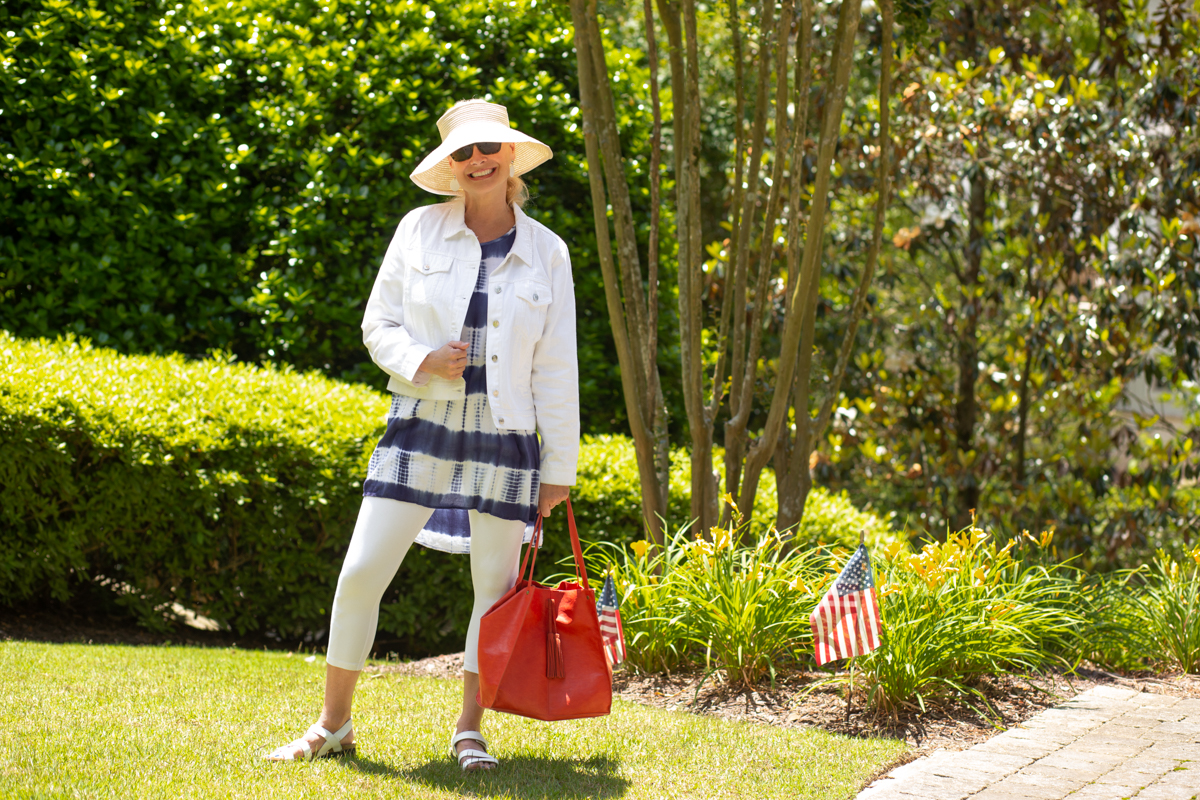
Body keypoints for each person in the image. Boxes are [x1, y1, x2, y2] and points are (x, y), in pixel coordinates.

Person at [266, 99, 579, 771]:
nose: (478, 160)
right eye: (463, 152)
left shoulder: (549, 252)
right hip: (422, 423)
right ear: (449, 164)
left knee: (492, 594)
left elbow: (557, 366)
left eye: (488, 147)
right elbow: (378, 324)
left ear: (512, 157)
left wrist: (561, 470)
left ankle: (470, 730)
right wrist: (420, 361)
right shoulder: (417, 230)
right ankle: (333, 723)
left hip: (507, 436)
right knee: (360, 574)